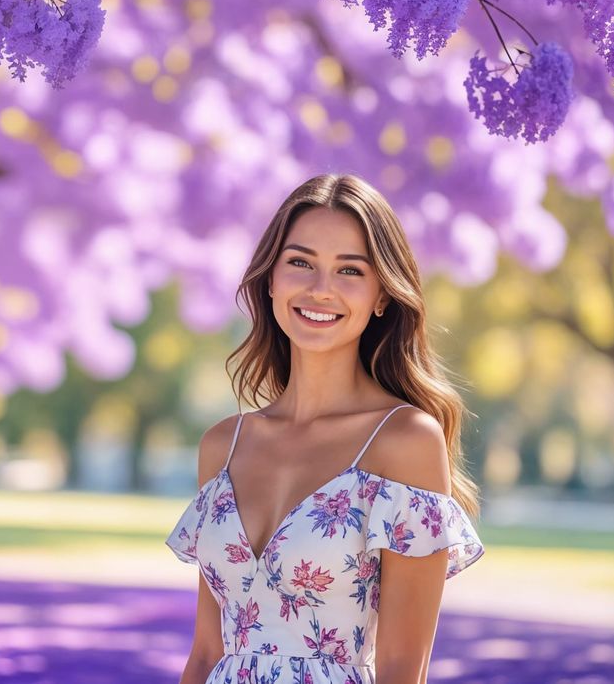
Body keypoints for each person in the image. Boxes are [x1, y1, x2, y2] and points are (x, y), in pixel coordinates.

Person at [167, 173, 484, 684]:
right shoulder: (223, 447)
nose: (321, 289)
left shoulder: (405, 442)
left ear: (382, 295)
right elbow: (206, 653)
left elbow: (405, 669)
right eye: (300, 262)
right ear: (271, 278)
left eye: (350, 271)